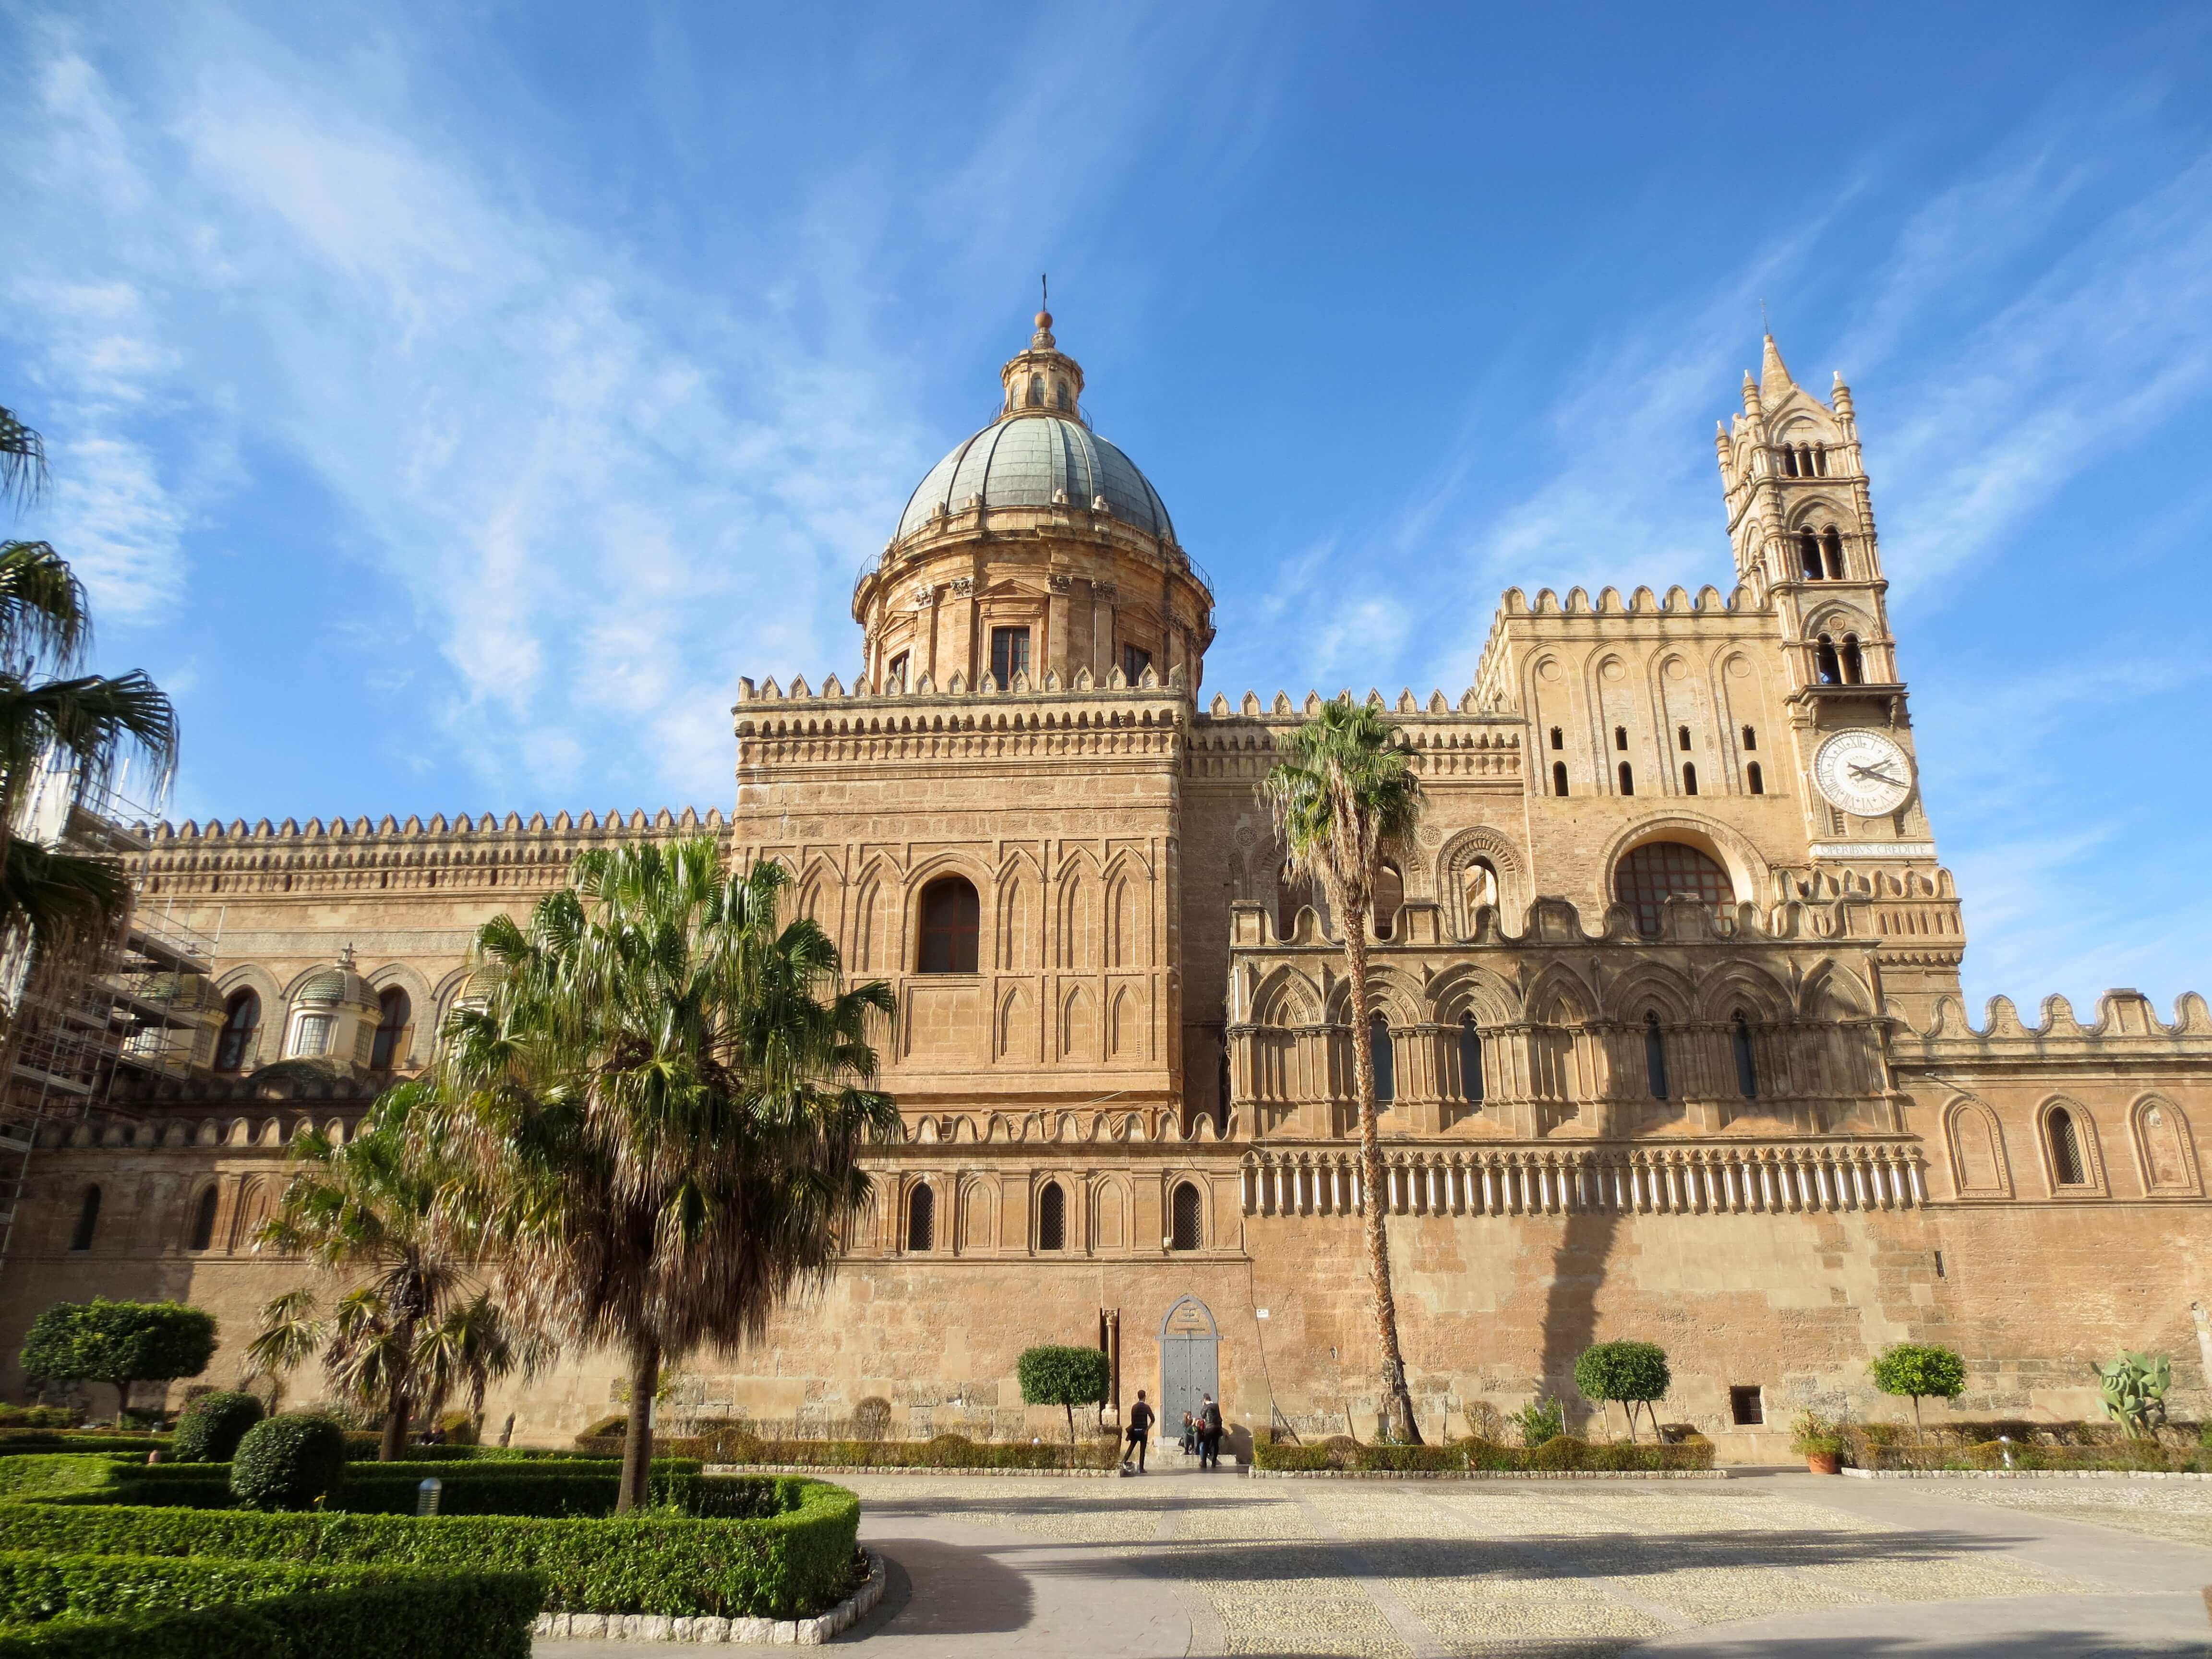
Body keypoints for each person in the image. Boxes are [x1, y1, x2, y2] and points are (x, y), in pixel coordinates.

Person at [1124, 1390, 1154, 1473]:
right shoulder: (1147, 1407)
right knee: (1142, 1450)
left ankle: (1124, 1461)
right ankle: (1141, 1468)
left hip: (1135, 1430)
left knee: (1131, 1447)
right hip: (1143, 1431)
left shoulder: (1134, 1407)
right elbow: (1153, 1419)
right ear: (1145, 1397)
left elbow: (1133, 1420)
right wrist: (1147, 1429)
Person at [1199, 1393, 1224, 1470]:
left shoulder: (1206, 1406)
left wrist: (1204, 1406)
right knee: (1215, 1444)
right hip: (1217, 1428)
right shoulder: (1216, 1406)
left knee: (1205, 1445)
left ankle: (1204, 1463)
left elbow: (1203, 1416)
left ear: (1205, 1400)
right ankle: (1214, 1462)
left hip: (1210, 1428)